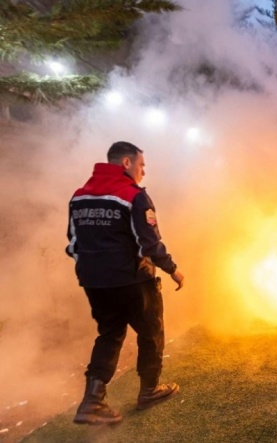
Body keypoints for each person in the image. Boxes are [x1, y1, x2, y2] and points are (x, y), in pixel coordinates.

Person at [66, 141, 185, 424]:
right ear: (127, 164)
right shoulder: (133, 196)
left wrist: (95, 268)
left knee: (110, 333)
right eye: (142, 165)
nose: (144, 171)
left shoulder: (79, 196)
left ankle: (92, 402)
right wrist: (172, 269)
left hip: (94, 282)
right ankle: (149, 391)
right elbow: (150, 243)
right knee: (151, 331)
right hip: (131, 280)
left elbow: (73, 243)